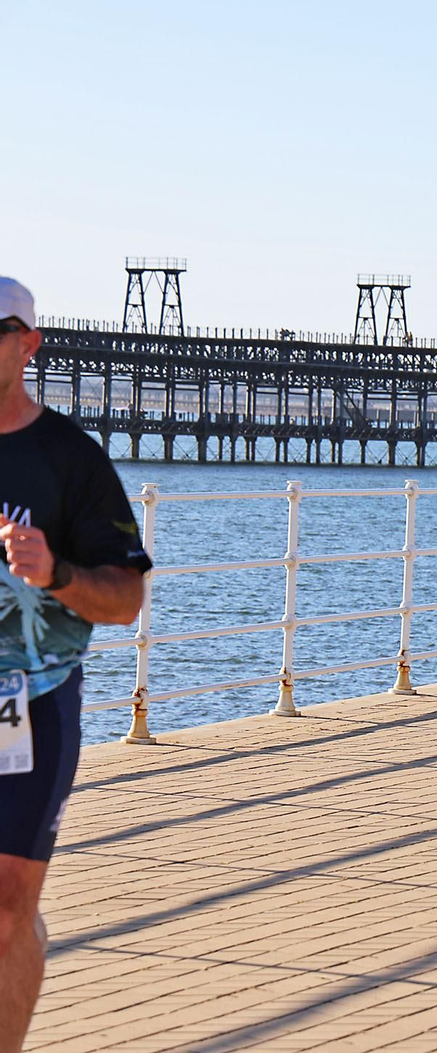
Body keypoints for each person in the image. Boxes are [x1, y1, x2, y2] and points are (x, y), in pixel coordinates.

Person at [0, 277, 151, 1052]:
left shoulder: (69, 459)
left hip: (32, 702)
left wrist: (55, 571)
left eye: (0, 327)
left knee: (6, 908)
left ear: (29, 343)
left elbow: (126, 597)